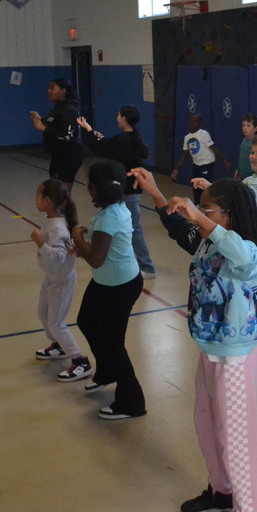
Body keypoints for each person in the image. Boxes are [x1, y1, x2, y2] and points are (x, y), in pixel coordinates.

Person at [129, 167, 257, 512]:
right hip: (210, 350)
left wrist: (203, 220)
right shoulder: (207, 240)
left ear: (229, 216)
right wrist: (157, 193)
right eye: (202, 209)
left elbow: (246, 261)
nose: (202, 215)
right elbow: (180, 229)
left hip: (235, 358)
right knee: (207, 424)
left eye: (210, 210)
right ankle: (221, 491)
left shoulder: (246, 250)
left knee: (237, 435)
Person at [194, 122, 257, 380]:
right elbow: (233, 207)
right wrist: (209, 187)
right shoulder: (247, 181)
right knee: (249, 304)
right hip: (246, 253)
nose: (255, 157)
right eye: (253, 152)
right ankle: (250, 351)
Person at [71, 160, 146, 419]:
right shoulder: (115, 208)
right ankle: (106, 371)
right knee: (86, 321)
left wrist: (77, 237)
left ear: (94, 189)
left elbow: (95, 259)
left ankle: (132, 403)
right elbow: (102, 246)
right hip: (107, 280)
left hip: (119, 286)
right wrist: (84, 239)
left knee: (115, 344)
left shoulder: (108, 217)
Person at [76, 106, 157, 279]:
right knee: (125, 226)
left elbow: (104, 147)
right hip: (128, 189)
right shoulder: (132, 138)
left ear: (124, 118)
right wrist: (96, 135)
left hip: (129, 190)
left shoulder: (125, 140)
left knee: (134, 228)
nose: (116, 118)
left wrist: (89, 131)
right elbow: (109, 145)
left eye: (118, 115)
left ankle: (147, 267)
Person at [30, 178, 93, 381]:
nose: (35, 200)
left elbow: (58, 258)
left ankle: (80, 361)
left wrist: (41, 243)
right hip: (52, 278)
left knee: (56, 323)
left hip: (62, 280)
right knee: (43, 313)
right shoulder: (54, 222)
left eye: (38, 196)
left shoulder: (59, 229)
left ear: (48, 201)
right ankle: (59, 345)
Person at [30, 78, 84, 203]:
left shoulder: (69, 110)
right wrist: (40, 120)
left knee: (62, 194)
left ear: (63, 91)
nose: (49, 91)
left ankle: (68, 220)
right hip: (58, 154)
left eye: (52, 88)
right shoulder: (58, 108)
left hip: (69, 155)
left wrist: (44, 128)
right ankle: (60, 218)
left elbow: (67, 136)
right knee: (56, 190)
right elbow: (55, 125)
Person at [172, 113, 232, 205]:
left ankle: (207, 205)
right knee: (195, 186)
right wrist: (176, 168)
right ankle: (197, 205)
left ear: (200, 123)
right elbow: (184, 155)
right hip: (196, 164)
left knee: (203, 186)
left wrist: (224, 160)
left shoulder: (203, 134)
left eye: (195, 121)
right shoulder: (187, 138)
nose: (192, 123)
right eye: (191, 121)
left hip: (207, 163)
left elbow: (213, 148)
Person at [234, 113, 257, 182]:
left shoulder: (256, 144)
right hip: (242, 176)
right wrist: (238, 169)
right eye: (243, 125)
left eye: (248, 126)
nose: (245, 128)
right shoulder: (244, 140)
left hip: (252, 177)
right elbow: (242, 157)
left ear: (255, 128)